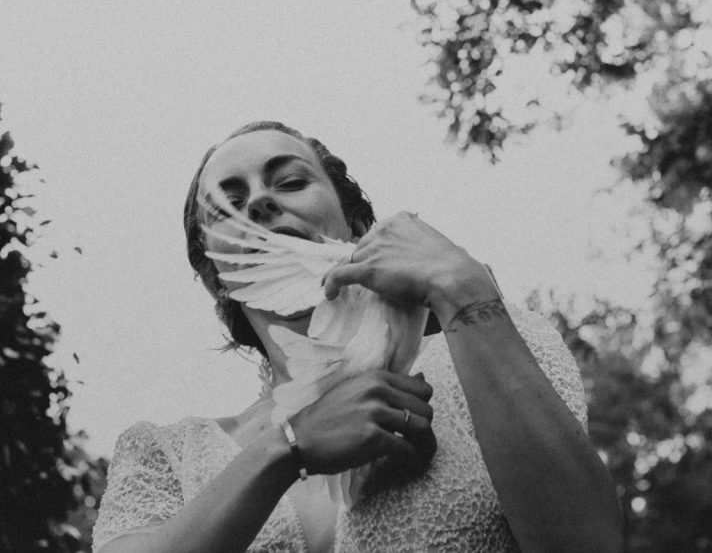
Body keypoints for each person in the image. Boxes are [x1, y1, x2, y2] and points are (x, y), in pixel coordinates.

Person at [93, 121, 623, 552]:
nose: (257, 202)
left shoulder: (485, 347)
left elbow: (589, 543)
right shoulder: (165, 453)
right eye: (228, 204)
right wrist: (287, 448)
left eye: (290, 181)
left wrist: (464, 290)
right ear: (216, 274)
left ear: (355, 223)